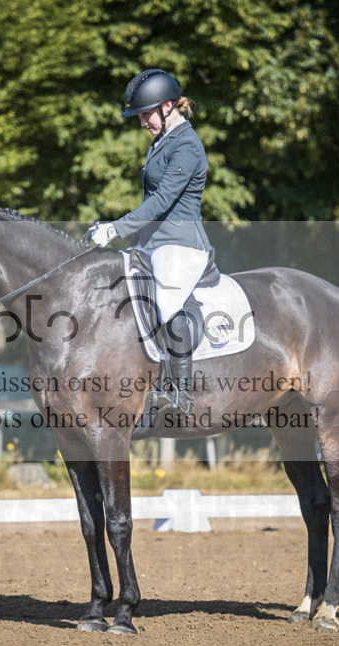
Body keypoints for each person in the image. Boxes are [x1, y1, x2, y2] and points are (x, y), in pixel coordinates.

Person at [91, 69, 214, 418]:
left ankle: (180, 393)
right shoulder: (162, 141)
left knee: (167, 302)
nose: (142, 122)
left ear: (168, 106)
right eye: (140, 116)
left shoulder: (187, 145)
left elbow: (162, 201)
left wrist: (116, 228)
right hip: (151, 242)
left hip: (180, 243)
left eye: (146, 114)